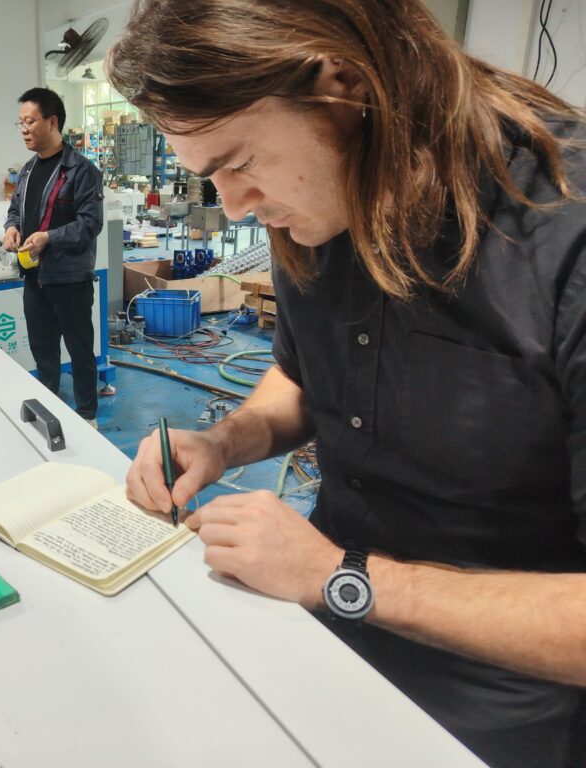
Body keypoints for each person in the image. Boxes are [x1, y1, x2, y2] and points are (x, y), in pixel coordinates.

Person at [107, 2, 586, 767]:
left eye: (239, 162)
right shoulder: (316, 197)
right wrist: (224, 441)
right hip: (321, 642)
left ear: (347, 82)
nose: (233, 204)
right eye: (210, 175)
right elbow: (302, 378)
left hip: (501, 718)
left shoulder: (564, 229)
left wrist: (340, 577)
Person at [2, 88, 104, 424]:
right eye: (20, 123)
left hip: (70, 281)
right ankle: (50, 412)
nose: (24, 129)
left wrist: (50, 238)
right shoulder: (29, 170)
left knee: (79, 353)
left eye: (30, 121)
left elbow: (90, 224)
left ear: (53, 121)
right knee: (43, 353)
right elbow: (16, 209)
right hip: (35, 279)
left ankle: (87, 417)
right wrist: (11, 228)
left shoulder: (81, 171)